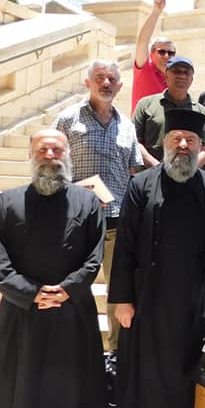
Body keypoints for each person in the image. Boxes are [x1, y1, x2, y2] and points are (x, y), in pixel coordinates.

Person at [0, 129, 107, 408]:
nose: (50, 155)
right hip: (22, 312)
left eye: (56, 149)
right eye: (43, 149)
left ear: (68, 155)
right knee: (19, 385)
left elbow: (94, 256)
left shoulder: (86, 202)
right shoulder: (7, 202)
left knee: (64, 384)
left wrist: (67, 290)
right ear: (31, 155)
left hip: (70, 310)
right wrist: (31, 293)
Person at [108, 109, 205, 408]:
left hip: (190, 306)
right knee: (144, 380)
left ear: (201, 147)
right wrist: (122, 300)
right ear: (165, 143)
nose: (184, 145)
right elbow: (125, 244)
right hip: (147, 301)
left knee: (180, 379)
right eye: (177, 139)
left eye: (191, 140)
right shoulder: (142, 185)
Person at [52, 59, 142, 353]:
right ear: (87, 82)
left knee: (118, 292)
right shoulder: (67, 120)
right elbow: (52, 165)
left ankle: (115, 353)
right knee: (70, 286)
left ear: (120, 86)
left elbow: (132, 173)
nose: (106, 83)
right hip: (76, 221)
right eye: (100, 77)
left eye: (111, 79)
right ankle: (70, 350)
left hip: (116, 223)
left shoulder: (127, 126)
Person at [132, 56, 205, 167]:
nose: (182, 76)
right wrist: (157, 168)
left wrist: (187, 171)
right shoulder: (145, 105)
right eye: (176, 71)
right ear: (166, 76)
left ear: (192, 79)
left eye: (186, 73)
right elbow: (135, 141)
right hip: (149, 173)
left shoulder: (202, 112)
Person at [130, 0, 170, 111]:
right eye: (161, 52)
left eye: (171, 53)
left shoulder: (175, 79)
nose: (166, 56)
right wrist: (156, 12)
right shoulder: (145, 70)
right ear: (151, 54)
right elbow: (142, 41)